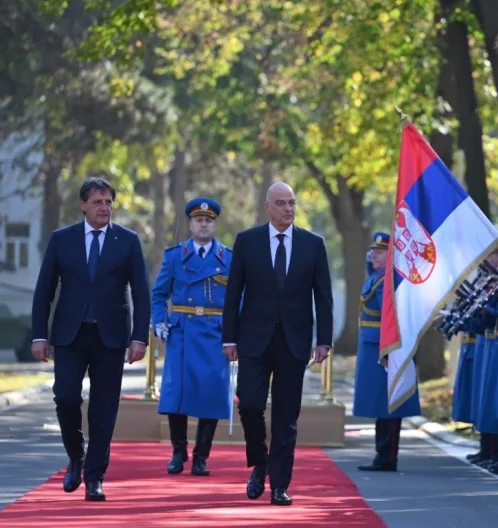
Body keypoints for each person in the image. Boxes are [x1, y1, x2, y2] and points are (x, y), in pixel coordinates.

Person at [30, 177, 150, 502]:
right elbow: (44, 290)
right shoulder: (62, 240)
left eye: (109, 202)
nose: (104, 207)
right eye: (98, 202)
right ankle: (75, 456)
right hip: (70, 334)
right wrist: (39, 334)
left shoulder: (127, 241)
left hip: (110, 337)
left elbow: (141, 291)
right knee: (66, 398)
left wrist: (140, 337)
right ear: (83, 204)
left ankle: (95, 476)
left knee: (104, 407)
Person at [222, 181, 333, 506]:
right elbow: (233, 295)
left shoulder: (313, 244)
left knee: (286, 416)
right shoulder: (248, 241)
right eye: (281, 203)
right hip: (253, 340)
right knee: (251, 404)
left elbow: (323, 296)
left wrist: (323, 340)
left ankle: (280, 484)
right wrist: (229, 337)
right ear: (267, 207)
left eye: (292, 203)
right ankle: (260, 463)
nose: (288, 209)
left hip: (294, 342)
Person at [151, 197, 232, 476]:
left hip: (214, 333)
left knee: (210, 393)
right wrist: (159, 322)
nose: (204, 224)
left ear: (214, 224)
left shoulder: (228, 258)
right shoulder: (174, 256)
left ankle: (201, 457)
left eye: (209, 220)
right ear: (191, 224)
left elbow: (238, 300)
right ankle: (178, 451)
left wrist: (235, 335)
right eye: (199, 220)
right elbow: (159, 294)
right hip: (182, 332)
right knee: (177, 394)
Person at [353, 231, 421, 472]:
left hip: (384, 348)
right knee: (379, 403)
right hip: (373, 345)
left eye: (380, 252)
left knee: (388, 403)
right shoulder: (377, 277)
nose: (373, 255)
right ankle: (381, 454)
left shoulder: (388, 281)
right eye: (372, 251)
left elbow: (392, 316)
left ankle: (387, 456)